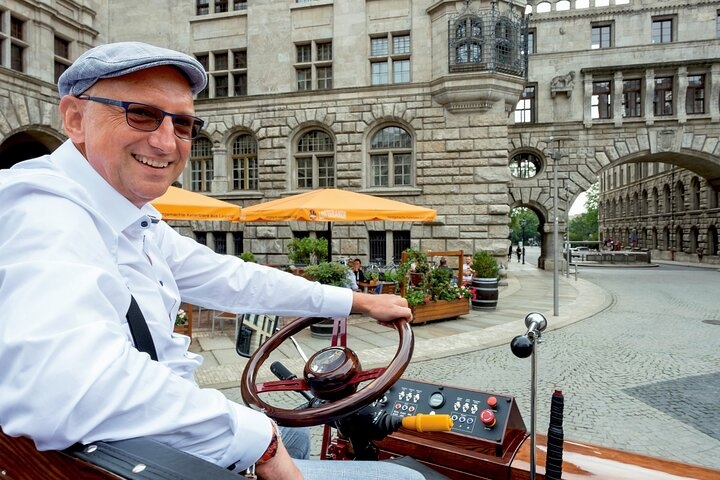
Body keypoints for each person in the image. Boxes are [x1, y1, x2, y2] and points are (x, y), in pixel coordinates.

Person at [0, 42, 423, 480]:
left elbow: (230, 278)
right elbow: (70, 390)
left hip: (142, 447)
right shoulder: (44, 214)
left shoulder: (123, 216)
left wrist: (354, 302)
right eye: (140, 113)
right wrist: (262, 442)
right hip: (143, 462)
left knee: (294, 435)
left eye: (183, 123)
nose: (166, 142)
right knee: (404, 478)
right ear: (74, 118)